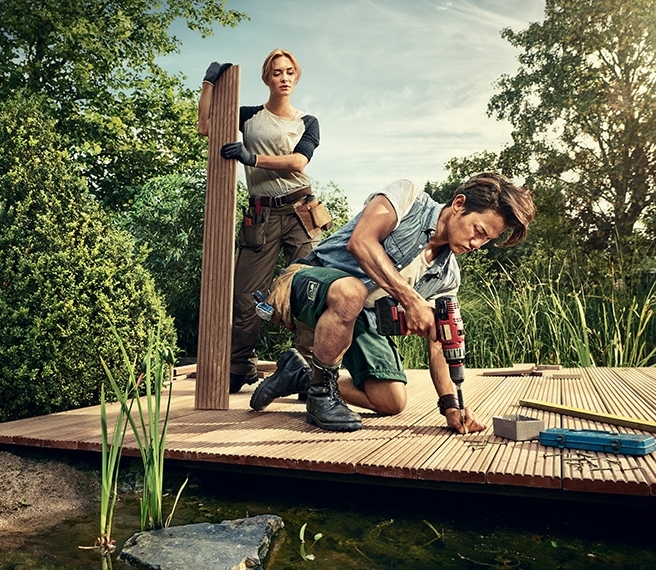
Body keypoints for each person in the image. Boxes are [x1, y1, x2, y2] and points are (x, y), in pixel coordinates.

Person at [249, 173, 536, 433]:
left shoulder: (447, 276)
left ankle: (299, 375)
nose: (477, 244)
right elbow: (361, 243)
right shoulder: (407, 197)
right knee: (352, 291)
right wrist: (410, 299)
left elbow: (441, 340)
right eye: (478, 230)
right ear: (459, 204)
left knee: (391, 400)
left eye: (486, 240)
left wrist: (451, 405)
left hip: (361, 315)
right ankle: (321, 397)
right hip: (309, 283)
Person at [198, 50, 324, 393]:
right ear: (266, 78)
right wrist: (209, 84)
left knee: (308, 293)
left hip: (301, 211)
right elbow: (206, 127)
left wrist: (250, 157)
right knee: (245, 294)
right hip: (261, 214)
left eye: (289, 72)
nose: (283, 78)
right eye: (276, 72)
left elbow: (299, 161)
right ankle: (240, 367)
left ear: (295, 78)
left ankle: (306, 372)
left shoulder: (307, 121)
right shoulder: (249, 117)